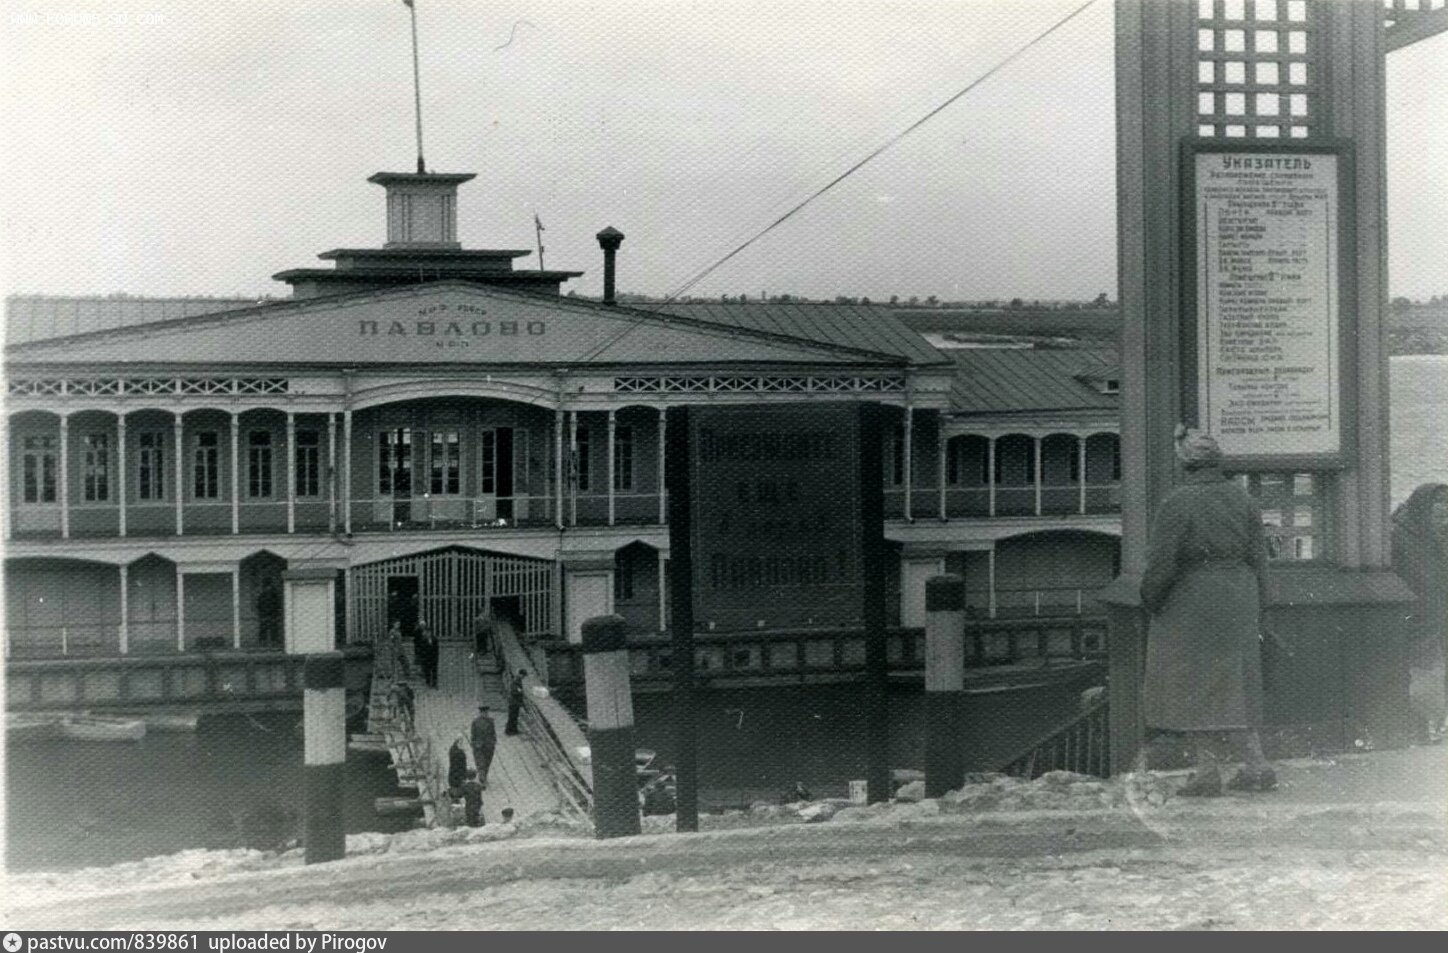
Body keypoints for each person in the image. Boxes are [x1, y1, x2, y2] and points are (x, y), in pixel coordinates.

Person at [1140, 425, 1275, 795]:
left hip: (1193, 598)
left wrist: (1150, 598)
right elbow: (1260, 557)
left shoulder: (1178, 502)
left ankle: (1207, 771)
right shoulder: (1243, 498)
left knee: (1195, 683)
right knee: (1235, 682)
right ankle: (1256, 765)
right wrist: (1263, 602)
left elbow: (1162, 563)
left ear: (1185, 462)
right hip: (1239, 593)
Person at [1392, 483, 1448, 739]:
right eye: (1439, 515)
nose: (1445, 521)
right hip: (1418, 619)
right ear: (1423, 512)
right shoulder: (1397, 535)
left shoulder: (1439, 537)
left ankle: (1435, 725)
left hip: (1440, 617)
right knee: (1424, 675)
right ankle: (1422, 728)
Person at [471, 704, 498, 787]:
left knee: (487, 762)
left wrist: (494, 741)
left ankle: (484, 776)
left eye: (486, 713)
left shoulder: (490, 721)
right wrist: (473, 742)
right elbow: (473, 733)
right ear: (481, 713)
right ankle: (482, 777)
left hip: (488, 745)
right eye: (484, 713)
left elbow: (493, 732)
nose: (485, 714)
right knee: (480, 762)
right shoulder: (475, 722)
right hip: (479, 745)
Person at [255, 577, 283, 647]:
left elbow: (258, 605)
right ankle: (273, 642)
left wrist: (260, 613)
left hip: (265, 613)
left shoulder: (262, 594)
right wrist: (278, 612)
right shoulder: (274, 594)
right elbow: (278, 604)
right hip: (272, 613)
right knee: (273, 628)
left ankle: (264, 642)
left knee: (264, 628)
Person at [415, 619, 438, 688]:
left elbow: (436, 650)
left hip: (433, 658)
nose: (428, 634)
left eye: (429, 632)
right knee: (427, 672)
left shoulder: (434, 639)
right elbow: (422, 650)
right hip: (426, 658)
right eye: (426, 632)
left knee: (434, 672)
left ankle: (434, 684)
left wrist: (436, 658)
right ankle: (428, 683)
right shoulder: (423, 640)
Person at [505, 669, 527, 735]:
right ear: (520, 674)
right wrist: (520, 692)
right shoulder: (516, 681)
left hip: (516, 702)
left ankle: (514, 730)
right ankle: (509, 731)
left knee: (515, 717)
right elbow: (514, 691)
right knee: (512, 717)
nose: (523, 677)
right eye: (523, 676)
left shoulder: (518, 680)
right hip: (514, 702)